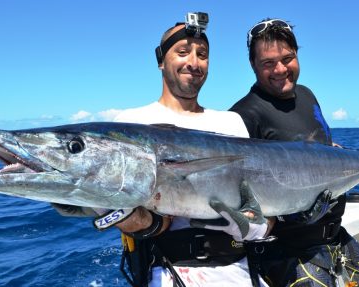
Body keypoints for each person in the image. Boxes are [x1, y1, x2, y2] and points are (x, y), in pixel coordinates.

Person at [54, 13, 272, 287]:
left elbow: (262, 205)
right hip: (168, 273)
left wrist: (256, 226)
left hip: (241, 272)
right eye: (183, 52)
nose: (193, 62)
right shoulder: (130, 123)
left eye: (202, 54)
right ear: (161, 61)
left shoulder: (232, 122)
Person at [229, 18, 359, 287]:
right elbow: (240, 203)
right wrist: (291, 214)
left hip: (335, 237)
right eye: (268, 63)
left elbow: (322, 148)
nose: (281, 69)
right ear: (253, 66)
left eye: (288, 58)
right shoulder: (242, 116)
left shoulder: (306, 94)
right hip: (285, 253)